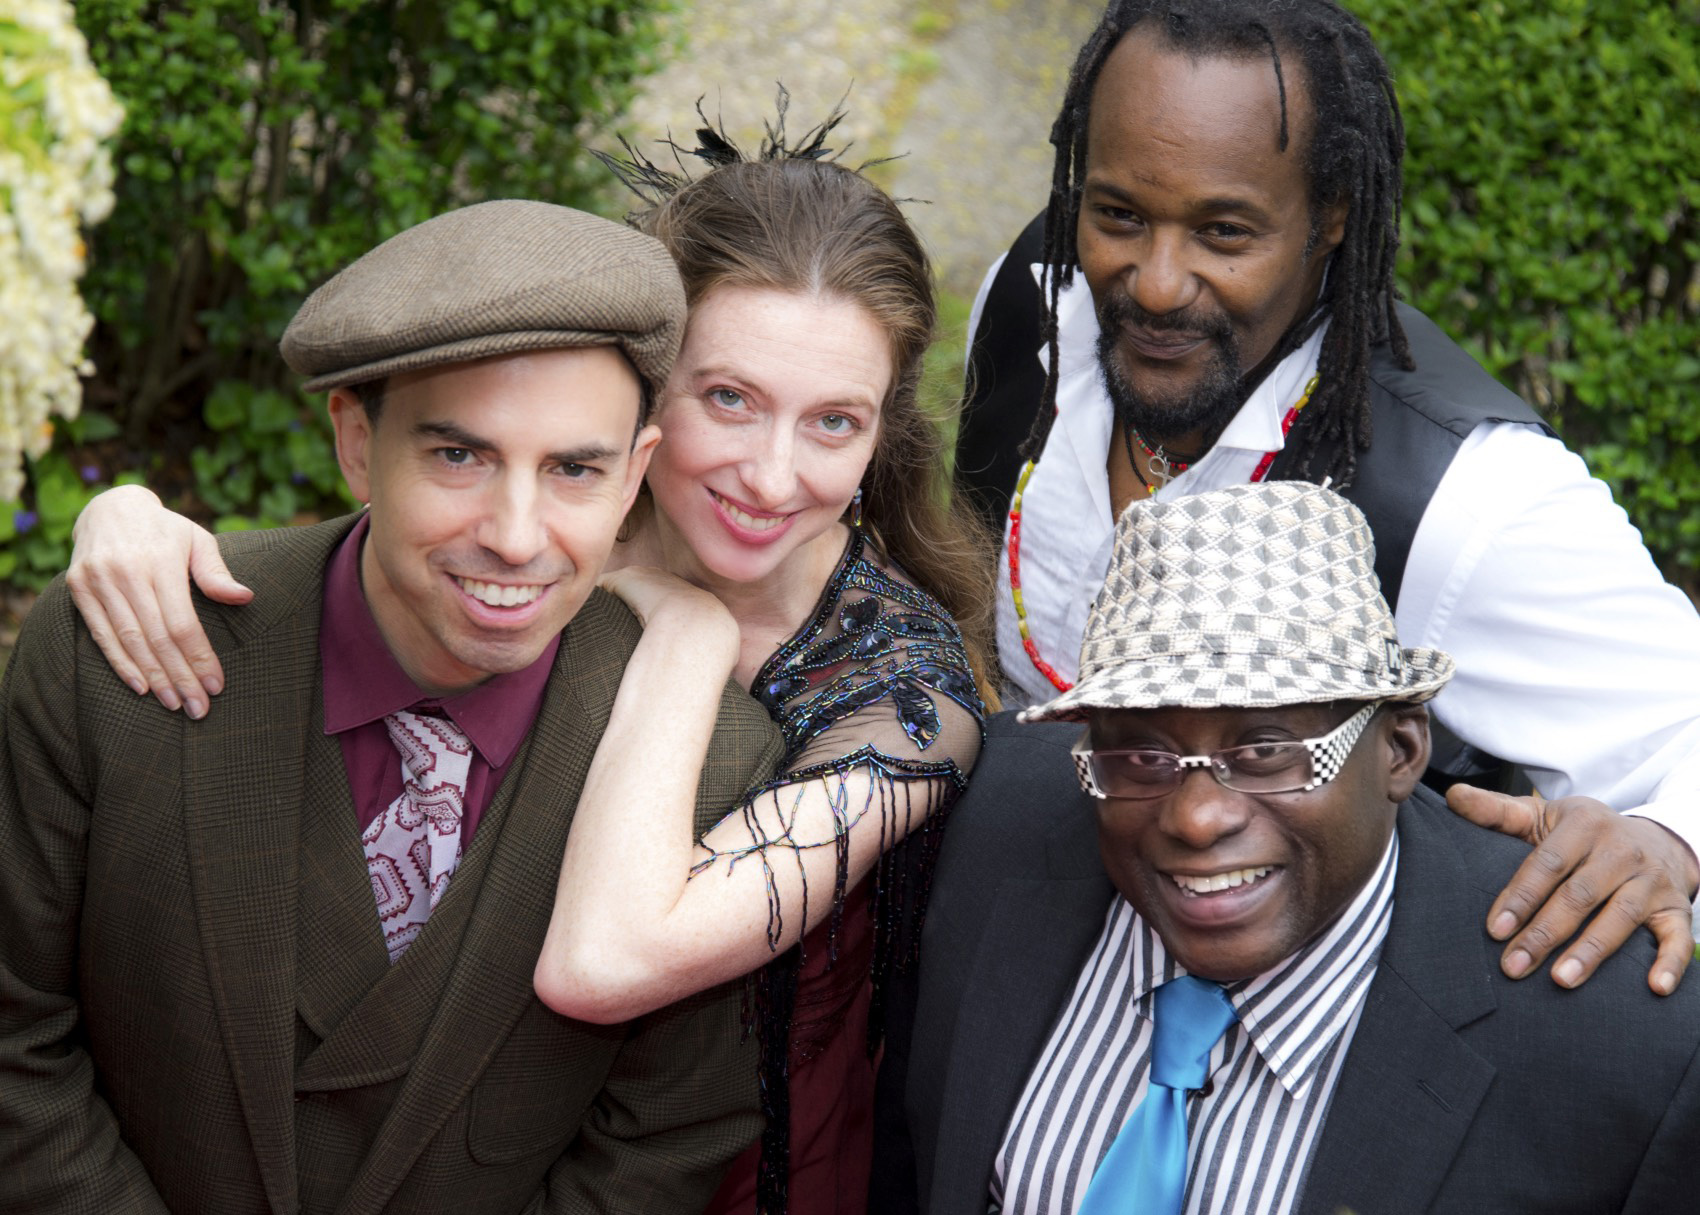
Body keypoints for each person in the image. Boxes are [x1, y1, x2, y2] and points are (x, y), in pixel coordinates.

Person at [63, 107, 991, 1215]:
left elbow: (603, 962)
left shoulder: (906, 699)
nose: (769, 474)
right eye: (729, 398)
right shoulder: (547, 528)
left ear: (885, 430)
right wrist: (127, 518)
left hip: (745, 1172)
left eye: (834, 422)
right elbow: (388, 535)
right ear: (644, 394)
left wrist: (686, 636)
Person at [0, 201, 787, 1213]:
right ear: (354, 440)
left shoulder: (715, 766)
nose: (515, 536)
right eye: (460, 456)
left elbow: (661, 1140)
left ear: (635, 471)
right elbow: (17, 1038)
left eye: (573, 469)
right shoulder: (116, 658)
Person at [952, 0, 1700, 996]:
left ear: (1332, 215)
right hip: (1017, 969)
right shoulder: (1031, 298)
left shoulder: (1460, 495)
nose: (1156, 283)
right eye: (1118, 214)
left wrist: (1665, 840)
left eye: (1223, 231)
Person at [872, 481, 1700, 1215]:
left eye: (1267, 749)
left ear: (1401, 750)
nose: (1198, 817)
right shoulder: (979, 827)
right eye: (1143, 754)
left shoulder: (1622, 1051)